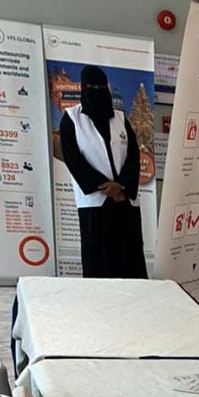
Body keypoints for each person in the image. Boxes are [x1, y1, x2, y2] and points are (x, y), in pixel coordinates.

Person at [58, 66, 146, 279]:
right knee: (99, 261)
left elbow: (133, 156)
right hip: (95, 205)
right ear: (84, 89)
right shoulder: (72, 119)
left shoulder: (120, 119)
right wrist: (104, 186)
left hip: (124, 200)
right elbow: (73, 159)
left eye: (100, 87)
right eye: (92, 88)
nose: (96, 92)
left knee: (129, 260)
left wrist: (121, 186)